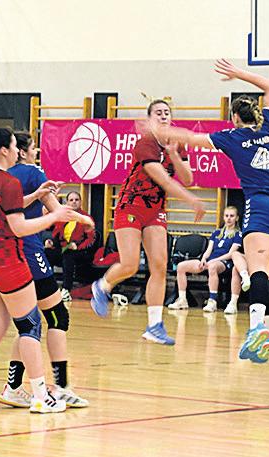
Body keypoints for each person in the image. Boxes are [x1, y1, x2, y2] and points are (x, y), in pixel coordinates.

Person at [150, 59, 269, 363]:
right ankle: (267, 337)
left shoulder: (231, 137)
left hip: (262, 206)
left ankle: (256, 331)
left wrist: (161, 129)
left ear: (234, 118)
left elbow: (190, 138)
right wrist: (239, 73)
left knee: (258, 270)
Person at [0, 127, 87, 413]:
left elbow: (5, 207)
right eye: (14, 146)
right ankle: (40, 395)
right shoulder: (9, 182)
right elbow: (19, 226)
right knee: (30, 325)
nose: (17, 151)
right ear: (5, 150)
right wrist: (55, 215)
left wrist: (35, 195)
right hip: (6, 261)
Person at [89, 98, 206, 347]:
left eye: (167, 113)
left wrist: (174, 155)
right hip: (130, 206)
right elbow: (164, 180)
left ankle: (154, 326)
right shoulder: (145, 144)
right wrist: (191, 200)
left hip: (155, 211)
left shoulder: (176, 144)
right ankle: (102, 286)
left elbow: (188, 178)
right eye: (158, 113)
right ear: (150, 119)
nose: (163, 116)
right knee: (130, 264)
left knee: (160, 266)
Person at [0, 132, 89, 409]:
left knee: (28, 322)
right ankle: (60, 387)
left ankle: (13, 387)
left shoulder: (1, 175)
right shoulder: (33, 172)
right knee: (58, 317)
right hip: (30, 251)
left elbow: (20, 210)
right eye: (34, 148)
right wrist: (85, 219)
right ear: (22, 151)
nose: (36, 153)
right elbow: (59, 212)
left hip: (6, 254)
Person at [169, 206, 245, 314]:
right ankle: (182, 300)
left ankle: (212, 301)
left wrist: (213, 261)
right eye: (226, 216)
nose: (228, 218)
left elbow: (231, 254)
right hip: (210, 261)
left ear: (237, 218)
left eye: (232, 216)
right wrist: (204, 259)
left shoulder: (238, 234)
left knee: (213, 267)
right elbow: (209, 250)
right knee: (181, 266)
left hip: (225, 262)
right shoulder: (216, 233)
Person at [47, 191, 96, 294]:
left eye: (76, 200)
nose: (74, 202)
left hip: (80, 252)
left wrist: (77, 246)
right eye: (71, 200)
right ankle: (49, 287)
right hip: (64, 249)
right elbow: (55, 235)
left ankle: (66, 289)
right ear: (67, 203)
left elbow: (91, 240)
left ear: (80, 202)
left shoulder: (86, 218)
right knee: (47, 253)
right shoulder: (62, 217)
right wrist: (50, 242)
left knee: (68, 255)